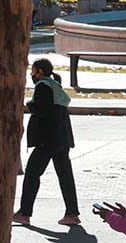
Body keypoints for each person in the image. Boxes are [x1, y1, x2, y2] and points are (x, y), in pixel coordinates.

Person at [14, 58, 80, 227]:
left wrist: (29, 104)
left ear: (40, 72)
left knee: (32, 174)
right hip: (62, 138)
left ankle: (24, 213)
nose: (31, 74)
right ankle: (72, 213)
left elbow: (41, 110)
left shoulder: (43, 86)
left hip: (48, 140)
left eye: (33, 71)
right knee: (65, 176)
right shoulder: (54, 84)